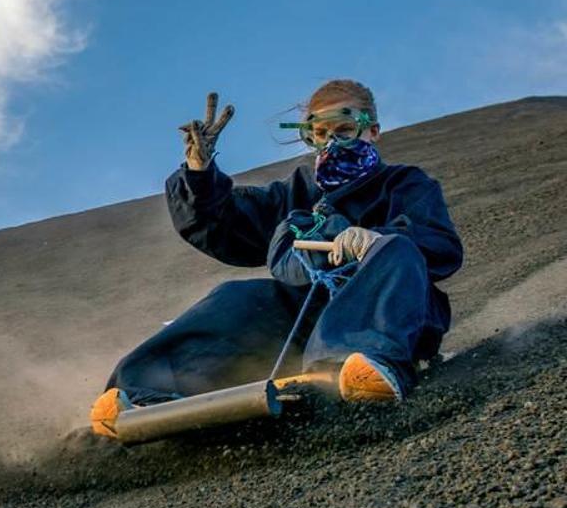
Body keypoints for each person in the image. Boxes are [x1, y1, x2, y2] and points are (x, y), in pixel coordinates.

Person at [90, 80, 463, 439]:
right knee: (233, 298)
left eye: (345, 129)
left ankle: (358, 368)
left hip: (392, 317)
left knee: (396, 250)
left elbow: (439, 244)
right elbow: (225, 225)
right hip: (307, 316)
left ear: (372, 130)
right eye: (321, 133)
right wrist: (200, 174)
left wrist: (377, 239)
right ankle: (145, 391)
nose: (332, 141)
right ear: (310, 136)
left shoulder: (405, 183)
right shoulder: (296, 191)